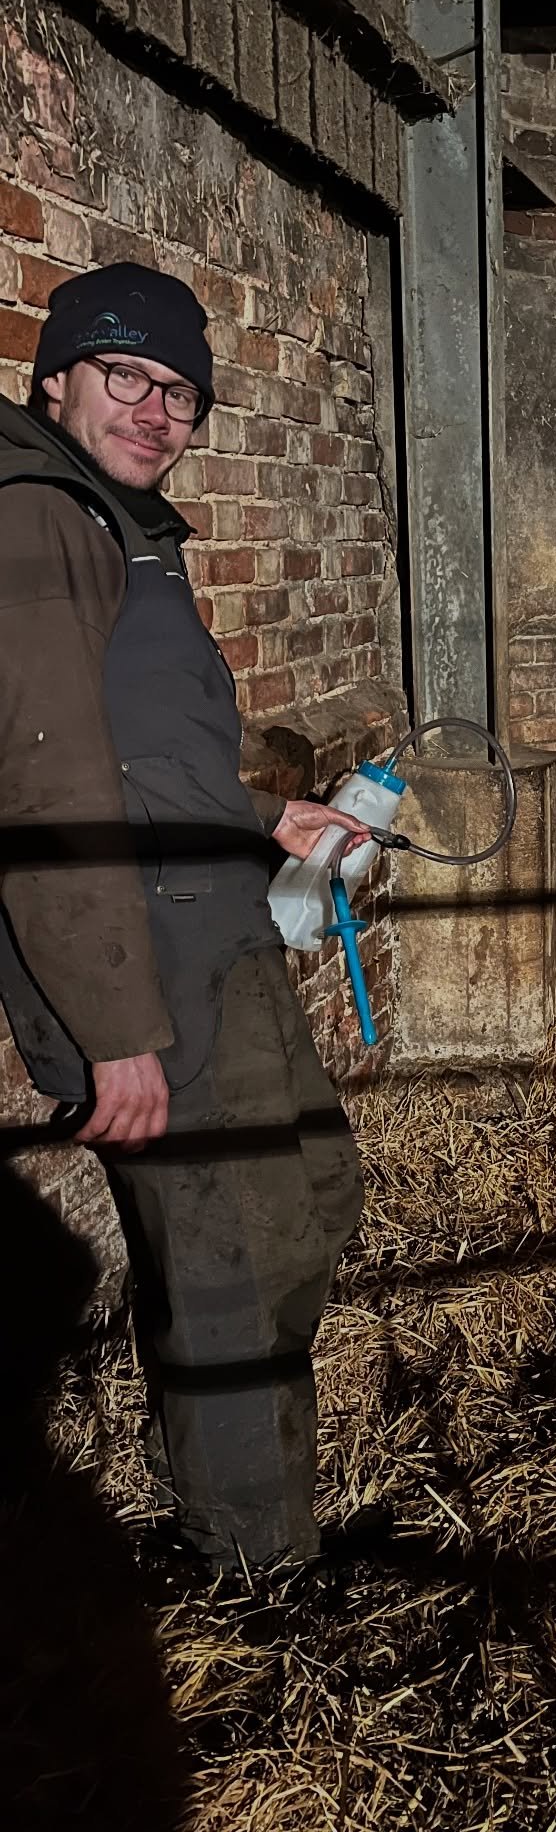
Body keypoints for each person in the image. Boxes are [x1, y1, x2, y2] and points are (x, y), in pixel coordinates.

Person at [0, 261, 371, 1569]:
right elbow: (45, 787)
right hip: (143, 970)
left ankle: (211, 1472)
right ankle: (253, 1564)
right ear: (57, 377)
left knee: (317, 1197)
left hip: (216, 926)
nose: (158, 411)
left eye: (182, 393)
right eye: (126, 378)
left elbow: (150, 756)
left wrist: (271, 819)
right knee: (223, 1268)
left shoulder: (119, 523)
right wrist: (114, 1033)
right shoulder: (36, 516)